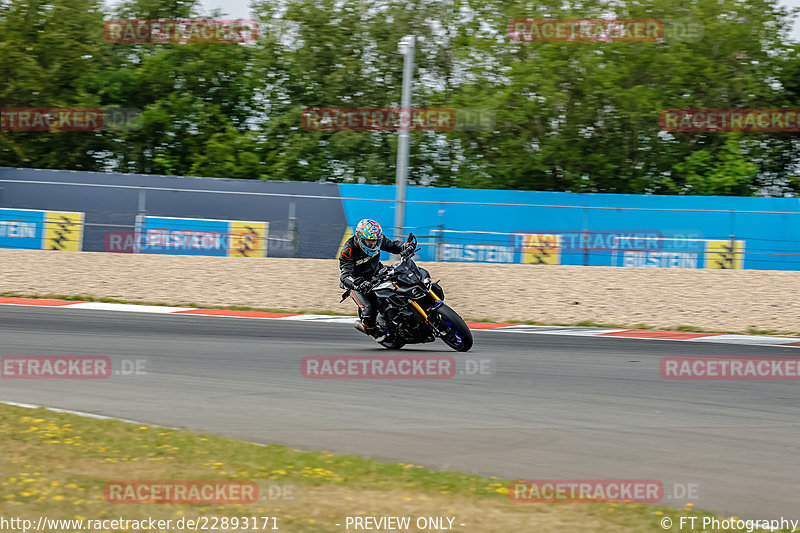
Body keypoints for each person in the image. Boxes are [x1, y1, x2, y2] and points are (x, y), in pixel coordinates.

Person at [339, 218, 413, 338]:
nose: (373, 244)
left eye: (375, 241)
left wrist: (405, 246)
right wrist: (357, 284)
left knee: (402, 282)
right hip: (358, 284)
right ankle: (372, 331)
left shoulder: (378, 239)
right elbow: (345, 275)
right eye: (369, 241)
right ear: (359, 238)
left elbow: (393, 245)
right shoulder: (348, 251)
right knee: (369, 309)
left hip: (377, 273)